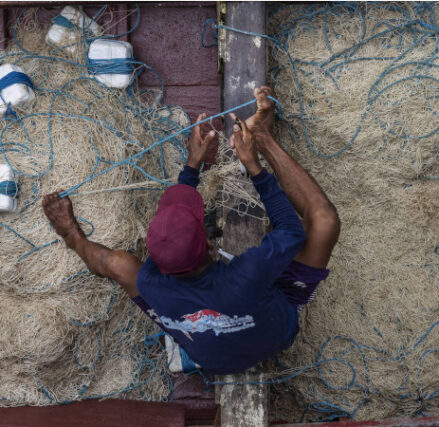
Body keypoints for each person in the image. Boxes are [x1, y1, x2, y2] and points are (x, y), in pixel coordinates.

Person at [42, 86, 340, 375]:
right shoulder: (249, 272)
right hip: (276, 330)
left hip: (215, 359)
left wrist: (70, 232)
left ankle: (71, 238)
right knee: (324, 221)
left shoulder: (152, 284)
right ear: (211, 247)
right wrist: (253, 165)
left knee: (117, 264)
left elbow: (103, 262)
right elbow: (291, 230)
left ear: (156, 260)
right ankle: (262, 136)